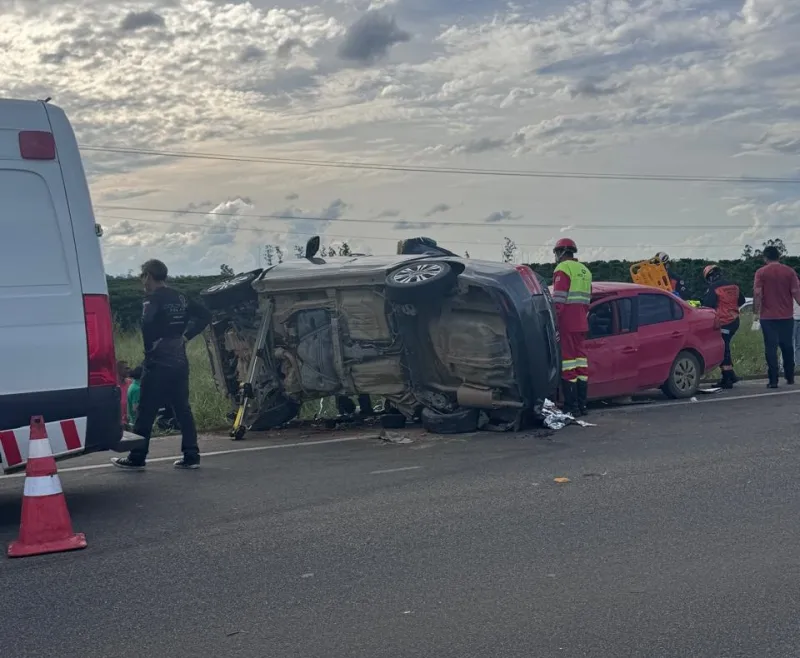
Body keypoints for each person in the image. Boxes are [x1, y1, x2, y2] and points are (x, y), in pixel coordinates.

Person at [112, 259, 212, 470]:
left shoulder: (152, 299)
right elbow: (205, 315)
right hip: (179, 360)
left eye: (143, 277)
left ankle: (137, 457)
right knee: (182, 409)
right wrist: (186, 336)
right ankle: (191, 455)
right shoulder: (180, 297)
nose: (143, 282)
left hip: (158, 362)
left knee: (146, 411)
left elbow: (147, 328)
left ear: (148, 275)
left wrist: (145, 362)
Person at [552, 238, 592, 415]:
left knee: (568, 364)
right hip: (582, 323)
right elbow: (587, 300)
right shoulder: (586, 271)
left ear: (561, 252)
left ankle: (571, 407)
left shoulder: (563, 269)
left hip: (567, 323)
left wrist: (552, 320)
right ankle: (582, 405)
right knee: (581, 364)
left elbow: (558, 300)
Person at [753, 246, 800, 388]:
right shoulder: (789, 272)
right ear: (779, 256)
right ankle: (790, 376)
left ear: (765, 258)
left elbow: (757, 294)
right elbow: (796, 293)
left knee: (771, 348)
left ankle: (773, 380)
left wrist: (755, 315)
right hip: (786, 316)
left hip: (768, 317)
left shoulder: (761, 273)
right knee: (787, 346)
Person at [701, 264, 745, 389]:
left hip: (723, 321)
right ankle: (731, 375)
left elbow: (708, 305)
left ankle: (727, 379)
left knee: (723, 349)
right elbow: (741, 301)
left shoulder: (713, 287)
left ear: (709, 277)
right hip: (735, 320)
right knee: (725, 347)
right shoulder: (733, 285)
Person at [126, 365, 142, 429]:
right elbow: (135, 408)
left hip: (131, 421)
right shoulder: (137, 389)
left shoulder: (132, 385)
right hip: (136, 423)